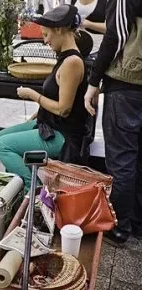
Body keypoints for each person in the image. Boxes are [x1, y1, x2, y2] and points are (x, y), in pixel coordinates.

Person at [0, 4, 88, 192]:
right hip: (48, 125)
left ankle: (34, 189)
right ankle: (20, 183)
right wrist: (35, 116)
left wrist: (34, 96)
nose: (45, 41)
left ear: (60, 30)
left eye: (46, 35)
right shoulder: (64, 58)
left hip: (63, 135)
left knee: (3, 145)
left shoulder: (73, 62)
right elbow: (55, 98)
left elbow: (64, 108)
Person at [84, 0, 142, 247]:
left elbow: (115, 35)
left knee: (122, 160)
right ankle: (137, 223)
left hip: (129, 83)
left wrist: (93, 81)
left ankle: (118, 228)